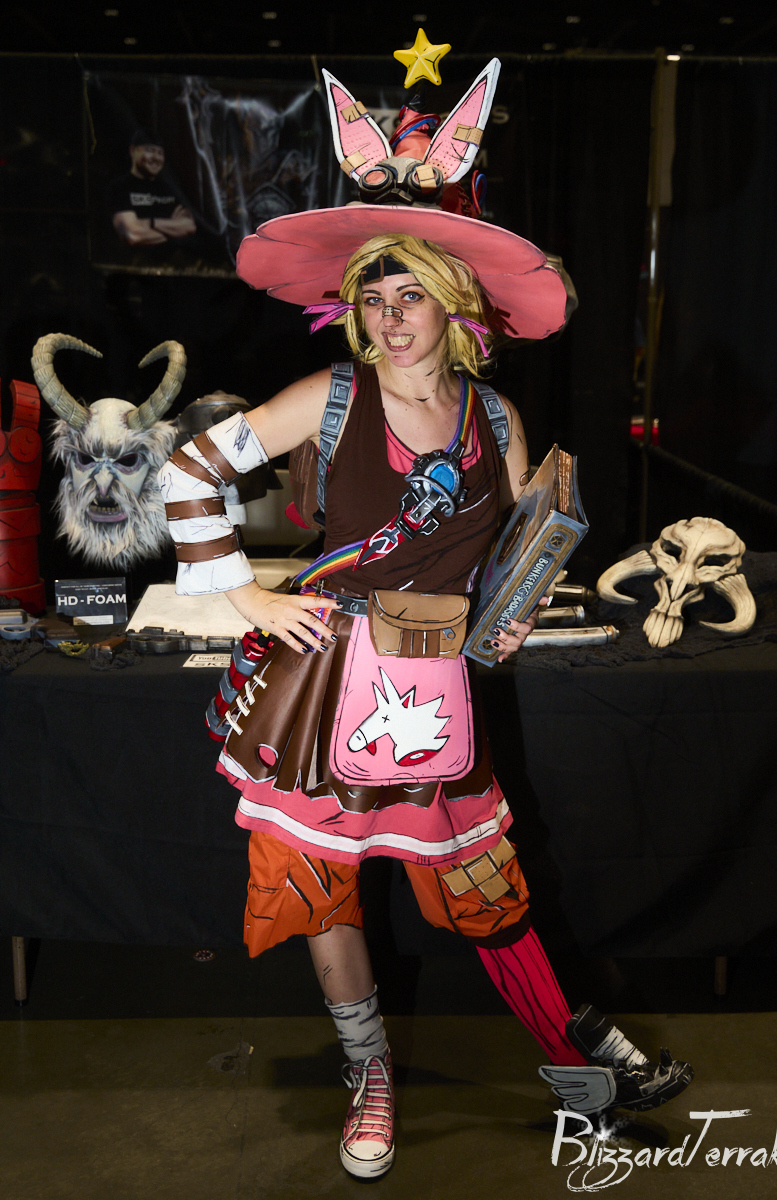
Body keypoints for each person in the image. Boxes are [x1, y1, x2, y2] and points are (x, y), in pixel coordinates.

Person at [159, 55, 693, 1181]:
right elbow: (191, 468)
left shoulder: (496, 420)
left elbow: (510, 555)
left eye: (411, 295)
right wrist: (245, 594)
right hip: (322, 688)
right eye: (373, 295)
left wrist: (514, 606)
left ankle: (577, 1069)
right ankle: (369, 1075)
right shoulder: (329, 397)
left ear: (455, 305)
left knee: (483, 889)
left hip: (433, 695)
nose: (390, 316)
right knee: (323, 890)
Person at [109, 129, 196, 247]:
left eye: (160, 153)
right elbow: (133, 235)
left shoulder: (170, 189)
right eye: (149, 150)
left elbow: (190, 227)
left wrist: (150, 223)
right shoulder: (120, 187)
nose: (156, 157)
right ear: (132, 151)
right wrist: (175, 230)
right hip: (134, 258)